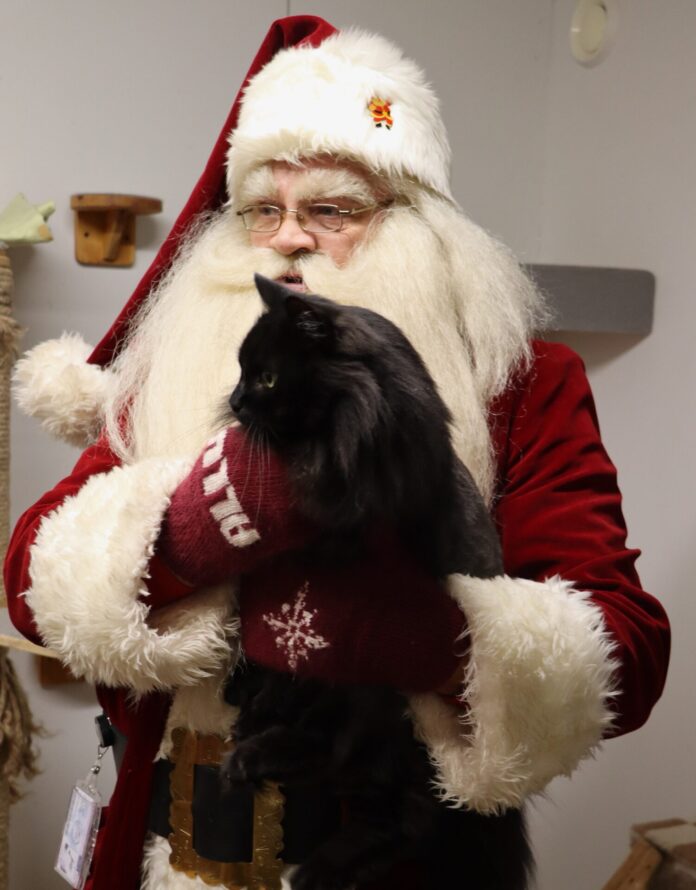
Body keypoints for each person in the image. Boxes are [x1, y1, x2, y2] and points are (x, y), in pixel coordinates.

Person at [4, 15, 669, 890]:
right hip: (175, 858)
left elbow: (627, 651)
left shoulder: (523, 381)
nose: (288, 237)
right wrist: (193, 526)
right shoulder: (166, 369)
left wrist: (425, 637)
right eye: (262, 211)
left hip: (397, 858)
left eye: (330, 209)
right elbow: (29, 580)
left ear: (417, 222)